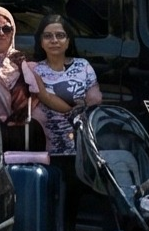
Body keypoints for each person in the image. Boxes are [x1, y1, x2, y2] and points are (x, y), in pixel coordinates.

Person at [18, 15, 103, 159]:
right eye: (48, 36)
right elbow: (42, 98)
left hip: (84, 151)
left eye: (60, 35)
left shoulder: (83, 66)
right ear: (41, 42)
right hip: (47, 153)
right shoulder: (34, 70)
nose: (54, 40)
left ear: (68, 41)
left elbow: (95, 101)